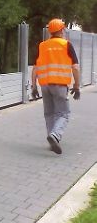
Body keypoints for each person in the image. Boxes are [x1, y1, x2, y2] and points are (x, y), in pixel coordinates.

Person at [31, 18, 80, 154]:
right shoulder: (66, 45)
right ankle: (55, 135)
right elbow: (75, 68)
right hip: (59, 84)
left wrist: (34, 86)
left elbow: (35, 68)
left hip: (45, 86)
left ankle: (52, 138)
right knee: (63, 114)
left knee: (49, 114)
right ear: (61, 30)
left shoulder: (42, 46)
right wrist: (77, 86)